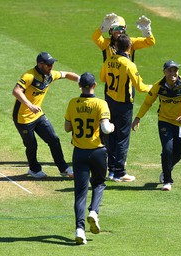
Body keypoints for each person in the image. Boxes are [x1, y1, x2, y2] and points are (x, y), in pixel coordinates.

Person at [131, 60, 181, 191]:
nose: (173, 73)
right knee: (167, 150)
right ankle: (167, 181)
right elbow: (147, 103)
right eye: (170, 70)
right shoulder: (158, 86)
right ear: (164, 71)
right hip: (165, 122)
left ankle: (166, 169)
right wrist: (137, 118)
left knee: (179, 153)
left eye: (175, 70)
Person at [64, 72, 115, 245]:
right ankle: (93, 211)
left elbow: (67, 127)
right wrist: (113, 126)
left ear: (80, 86)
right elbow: (106, 129)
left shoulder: (72, 103)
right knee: (99, 183)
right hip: (98, 152)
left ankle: (79, 230)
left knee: (80, 193)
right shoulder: (101, 103)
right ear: (94, 85)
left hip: (79, 153)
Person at [12, 52, 79, 178]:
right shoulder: (29, 76)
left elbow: (65, 74)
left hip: (38, 115)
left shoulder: (50, 75)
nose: (51, 67)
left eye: (52, 64)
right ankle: (34, 169)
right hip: (23, 118)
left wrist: (80, 79)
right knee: (32, 145)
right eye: (48, 64)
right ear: (40, 64)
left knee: (53, 139)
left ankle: (63, 169)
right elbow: (16, 91)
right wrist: (30, 105)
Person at [100, 34, 152, 182]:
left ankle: (111, 170)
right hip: (123, 105)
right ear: (129, 47)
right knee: (122, 138)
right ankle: (120, 172)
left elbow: (103, 78)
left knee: (111, 135)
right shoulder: (129, 64)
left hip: (110, 101)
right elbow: (140, 87)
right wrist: (151, 87)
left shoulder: (109, 59)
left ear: (116, 46)